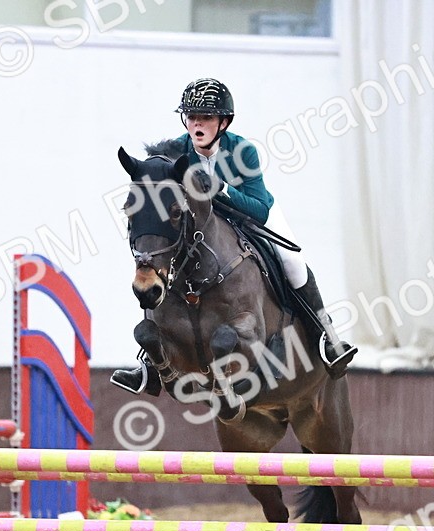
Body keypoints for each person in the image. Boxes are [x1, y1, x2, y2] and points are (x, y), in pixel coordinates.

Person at [111, 78, 356, 394]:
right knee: (162, 265)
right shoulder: (177, 150)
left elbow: (257, 209)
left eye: (206, 117)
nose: (197, 124)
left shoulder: (243, 151)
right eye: (191, 116)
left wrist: (220, 188)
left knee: (293, 261)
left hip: (251, 214)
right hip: (203, 225)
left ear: (223, 122)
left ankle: (327, 338)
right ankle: (149, 364)